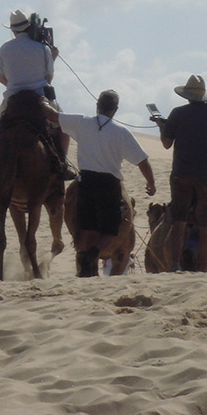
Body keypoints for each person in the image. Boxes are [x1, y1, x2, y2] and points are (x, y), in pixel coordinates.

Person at [43, 90, 156, 277]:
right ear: (115, 109)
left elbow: (52, 115)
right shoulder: (121, 132)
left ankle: (86, 260)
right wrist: (151, 183)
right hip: (109, 185)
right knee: (112, 230)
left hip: (85, 183)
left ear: (97, 105)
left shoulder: (82, 122)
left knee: (88, 228)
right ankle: (92, 254)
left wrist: (41, 100)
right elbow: (142, 161)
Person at [0, 9, 72, 178]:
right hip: (39, 98)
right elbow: (48, 78)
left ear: (13, 30)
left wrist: (16, 84)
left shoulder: (5, 48)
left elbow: (2, 79)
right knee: (63, 126)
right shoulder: (43, 48)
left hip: (13, 98)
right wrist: (52, 58)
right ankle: (62, 163)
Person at [152, 74, 207, 272]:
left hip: (182, 173)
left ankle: (175, 265)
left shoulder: (178, 113)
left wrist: (163, 127)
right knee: (206, 225)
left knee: (179, 221)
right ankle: (203, 268)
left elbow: (167, 143)